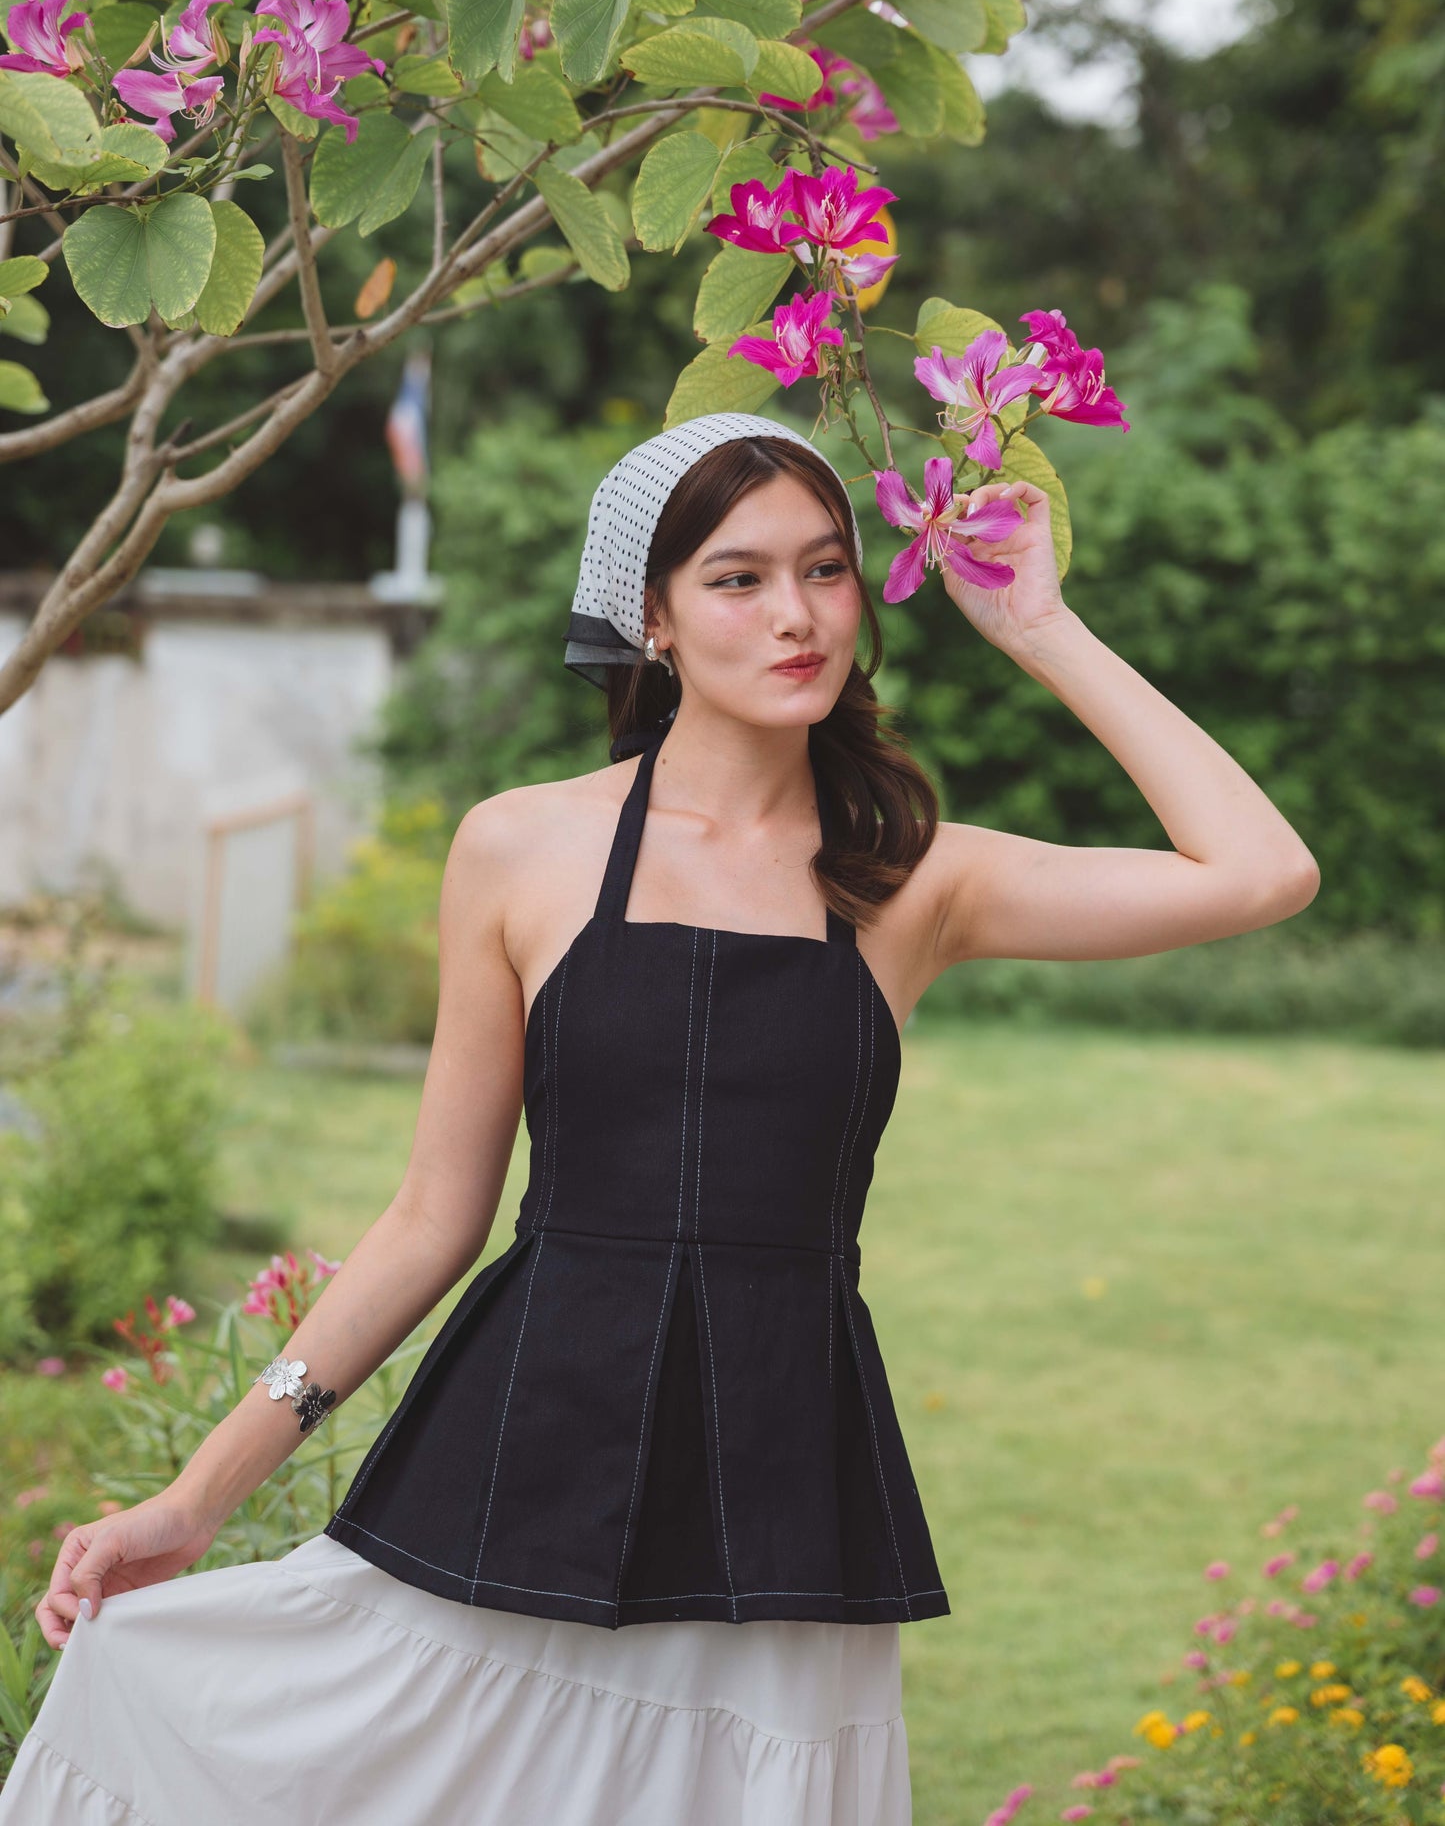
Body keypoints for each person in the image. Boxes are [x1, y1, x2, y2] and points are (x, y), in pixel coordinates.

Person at [0, 411, 1319, 1824]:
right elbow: (431, 1218)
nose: (797, 615)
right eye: (737, 579)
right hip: (526, 1441)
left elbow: (1258, 870)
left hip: (783, 1468)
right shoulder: (522, 846)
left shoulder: (912, 878)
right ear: (651, 618)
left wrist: (1040, 625)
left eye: (823, 570)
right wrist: (195, 1501)